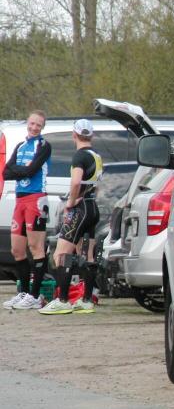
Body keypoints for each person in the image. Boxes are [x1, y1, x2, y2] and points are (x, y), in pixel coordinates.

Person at [39, 119, 103, 315]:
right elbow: (95, 184)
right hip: (92, 207)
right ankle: (87, 300)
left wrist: (70, 202)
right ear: (91, 136)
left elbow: (76, 182)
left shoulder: (79, 156)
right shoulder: (96, 156)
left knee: (61, 254)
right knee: (88, 254)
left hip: (80, 209)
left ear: (74, 135)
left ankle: (63, 300)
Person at [2, 110, 52, 310]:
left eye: (38, 125)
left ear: (42, 127)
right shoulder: (21, 146)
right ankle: (23, 292)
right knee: (17, 250)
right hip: (20, 200)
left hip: (36, 199)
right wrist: (22, 171)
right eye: (32, 123)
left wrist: (20, 170)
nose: (34, 127)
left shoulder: (44, 145)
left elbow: (32, 170)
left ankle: (35, 295)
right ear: (27, 123)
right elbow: (6, 172)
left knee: (36, 247)